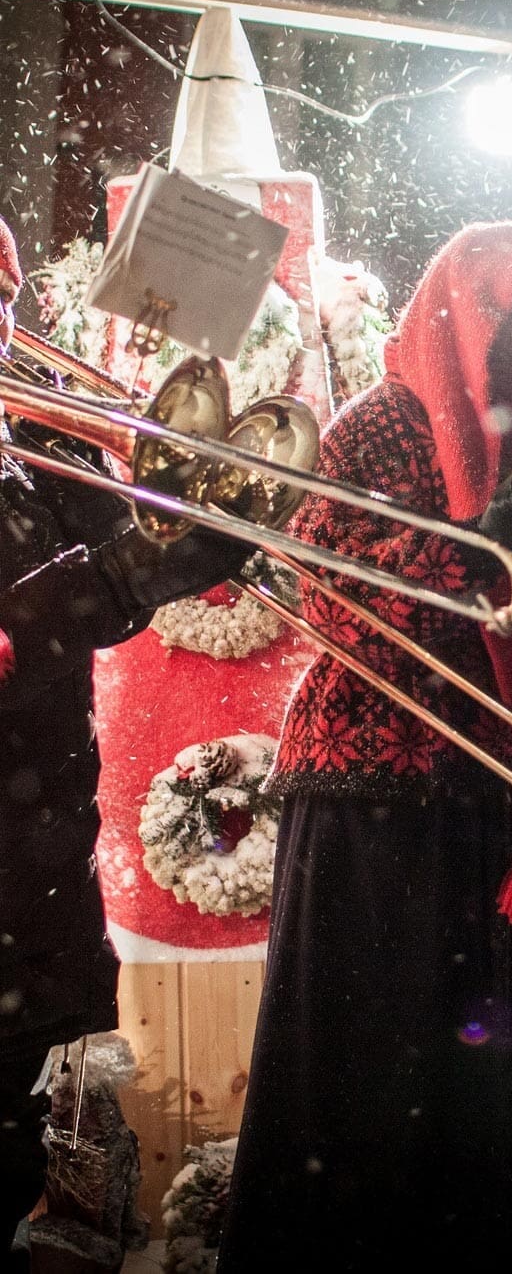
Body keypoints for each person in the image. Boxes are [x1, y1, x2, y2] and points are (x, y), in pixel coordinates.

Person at [216, 220, 512, 1272]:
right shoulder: (373, 431)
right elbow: (337, 589)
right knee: (379, 1063)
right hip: (385, 795)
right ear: (488, 330)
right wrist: (474, 546)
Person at [0, 214, 252, 1269]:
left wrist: (204, 521)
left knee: (15, 1133)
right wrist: (109, 579)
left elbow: (123, 537)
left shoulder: (22, 441)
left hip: (30, 856)